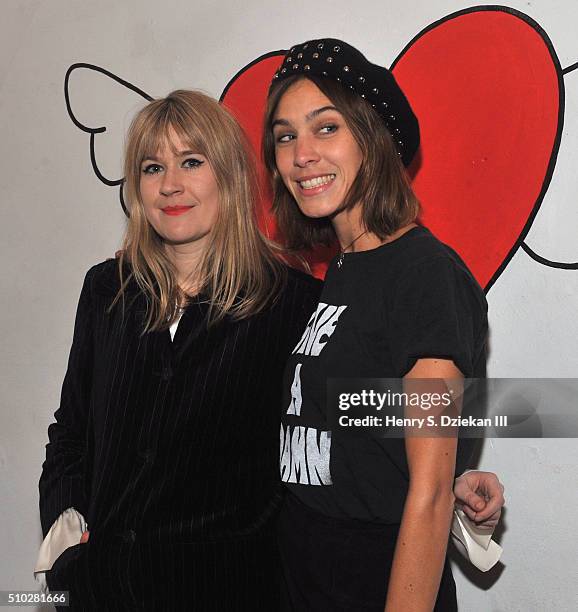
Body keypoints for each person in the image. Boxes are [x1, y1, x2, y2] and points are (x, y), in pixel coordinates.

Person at [37, 89, 502, 610]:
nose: (170, 185)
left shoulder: (291, 301)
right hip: (103, 592)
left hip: (232, 591)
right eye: (151, 167)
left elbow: (336, 415)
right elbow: (71, 434)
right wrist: (64, 552)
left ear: (231, 178)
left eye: (191, 162)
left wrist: (452, 469)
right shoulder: (107, 290)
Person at [263, 38, 498, 610]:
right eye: (285, 136)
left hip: (374, 582)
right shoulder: (342, 272)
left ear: (372, 138)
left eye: (326, 128)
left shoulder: (424, 275)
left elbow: (430, 493)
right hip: (303, 575)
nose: (301, 154)